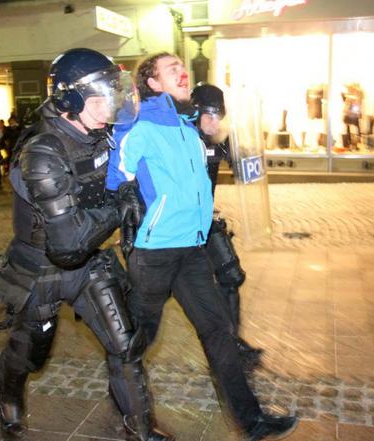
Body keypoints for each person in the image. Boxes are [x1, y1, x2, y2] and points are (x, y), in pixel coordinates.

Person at [106, 52, 298, 441]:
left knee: (219, 331)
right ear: (153, 83)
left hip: (192, 250)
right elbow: (113, 181)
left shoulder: (186, 125)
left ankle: (251, 420)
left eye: (182, 67)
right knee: (136, 339)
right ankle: (130, 415)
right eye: (171, 69)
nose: (182, 72)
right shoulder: (139, 125)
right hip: (154, 252)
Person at [0, 48, 171, 441]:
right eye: (100, 97)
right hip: (42, 267)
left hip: (90, 263)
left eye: (112, 93)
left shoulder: (100, 134)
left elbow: (126, 184)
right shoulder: (42, 152)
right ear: (70, 102)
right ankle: (8, 393)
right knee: (30, 353)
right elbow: (67, 244)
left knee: (126, 345)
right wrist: (118, 207)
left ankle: (141, 428)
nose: (111, 104)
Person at [190, 83, 263, 368]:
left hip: (205, 222)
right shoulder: (181, 138)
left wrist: (246, 150)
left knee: (231, 277)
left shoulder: (218, 140)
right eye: (208, 115)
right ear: (194, 113)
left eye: (219, 115)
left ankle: (231, 342)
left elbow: (244, 168)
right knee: (155, 298)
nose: (214, 122)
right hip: (176, 228)